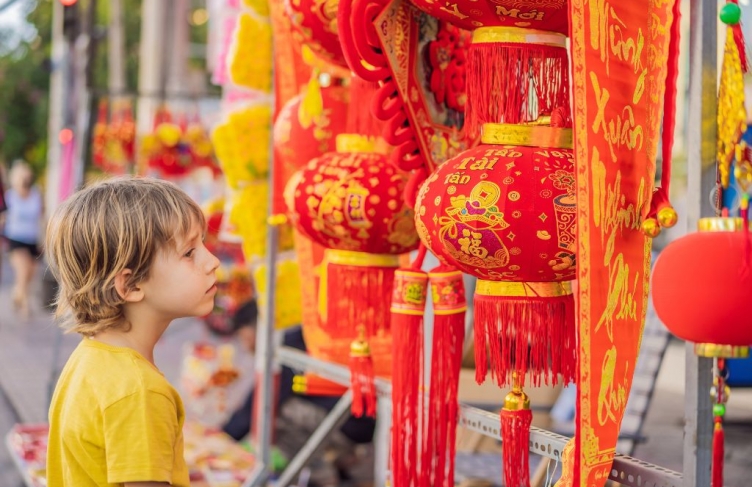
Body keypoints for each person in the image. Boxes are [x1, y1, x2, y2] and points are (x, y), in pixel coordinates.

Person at [45, 177, 220, 487]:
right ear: (131, 285)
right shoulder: (140, 391)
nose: (213, 261)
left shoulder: (89, 358)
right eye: (189, 253)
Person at [222, 300, 376, 486]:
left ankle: (322, 478)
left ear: (253, 329)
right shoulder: (298, 337)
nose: (244, 344)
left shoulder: (287, 345)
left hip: (351, 422)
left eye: (242, 336)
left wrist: (225, 437)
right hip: (354, 417)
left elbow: (264, 398)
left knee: (276, 415)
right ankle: (336, 466)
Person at [1, 160, 43, 318]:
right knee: (23, 271)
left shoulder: (36, 195)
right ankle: (25, 307)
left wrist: (43, 238)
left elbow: (41, 218)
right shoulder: (9, 196)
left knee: (30, 274)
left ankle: (17, 295)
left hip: (32, 239)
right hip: (15, 238)